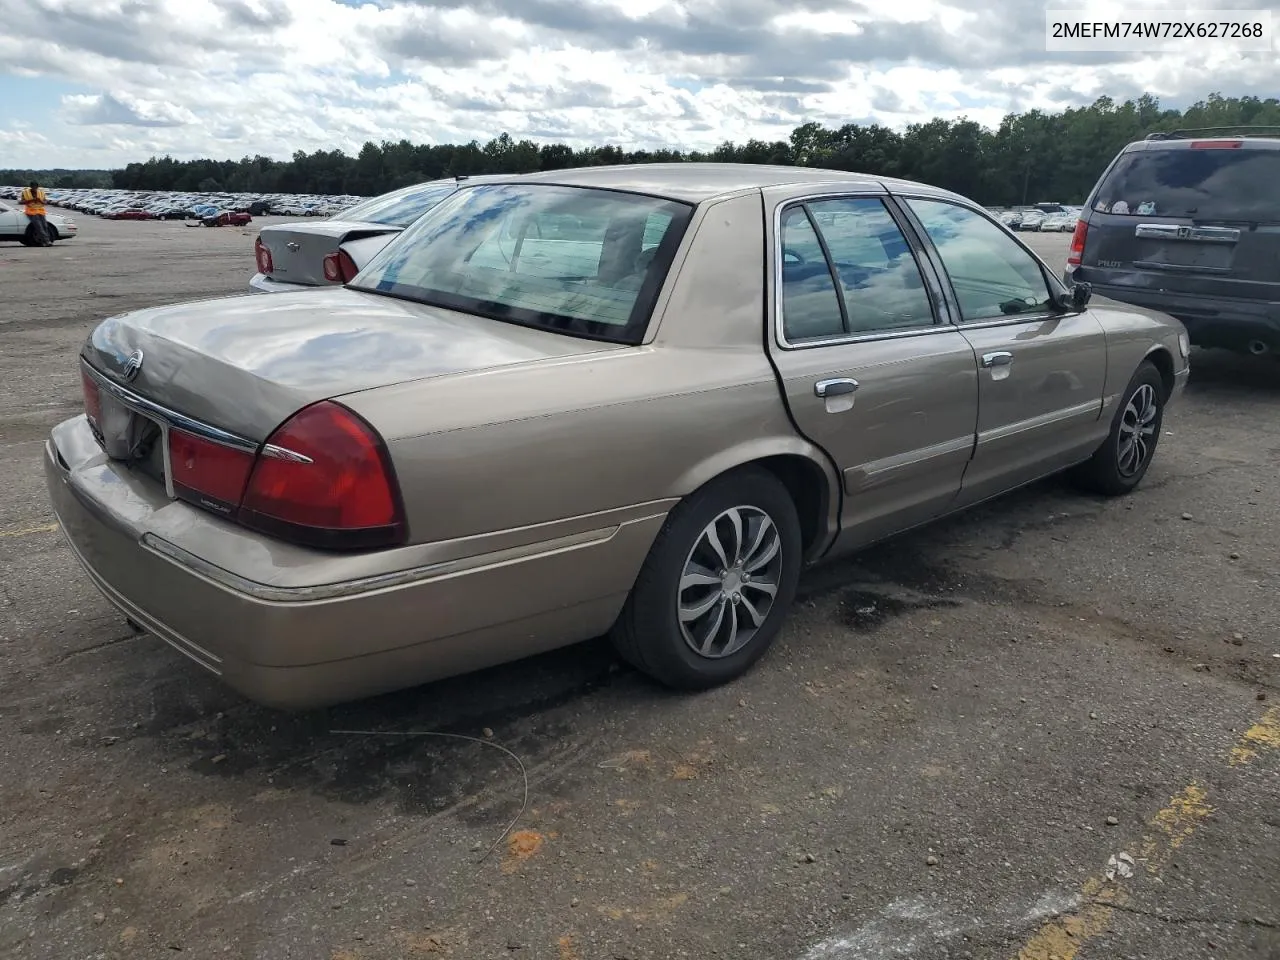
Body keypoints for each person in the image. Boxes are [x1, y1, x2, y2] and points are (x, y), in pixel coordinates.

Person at [19, 180, 52, 246]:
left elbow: (45, 202)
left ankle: (43, 242)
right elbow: (20, 202)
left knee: (45, 226)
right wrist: (31, 200)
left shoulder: (41, 192)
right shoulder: (25, 192)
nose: (34, 188)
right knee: (39, 226)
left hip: (40, 211)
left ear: (37, 187)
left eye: (35, 187)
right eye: (33, 187)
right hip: (31, 211)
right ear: (30, 187)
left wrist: (40, 201)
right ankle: (47, 241)